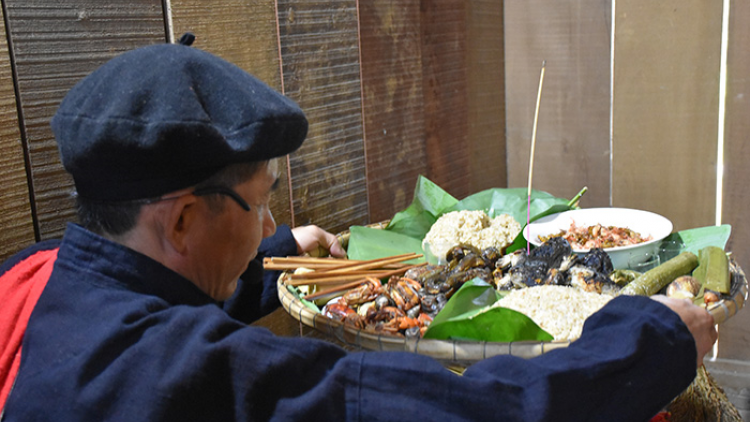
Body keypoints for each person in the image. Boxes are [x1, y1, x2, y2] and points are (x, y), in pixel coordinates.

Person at [0, 37, 716, 422]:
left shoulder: (30, 282)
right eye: (260, 205)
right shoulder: (174, 373)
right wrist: (654, 340)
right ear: (185, 216)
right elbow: (469, 410)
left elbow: (156, 286)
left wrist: (276, 253)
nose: (272, 223)